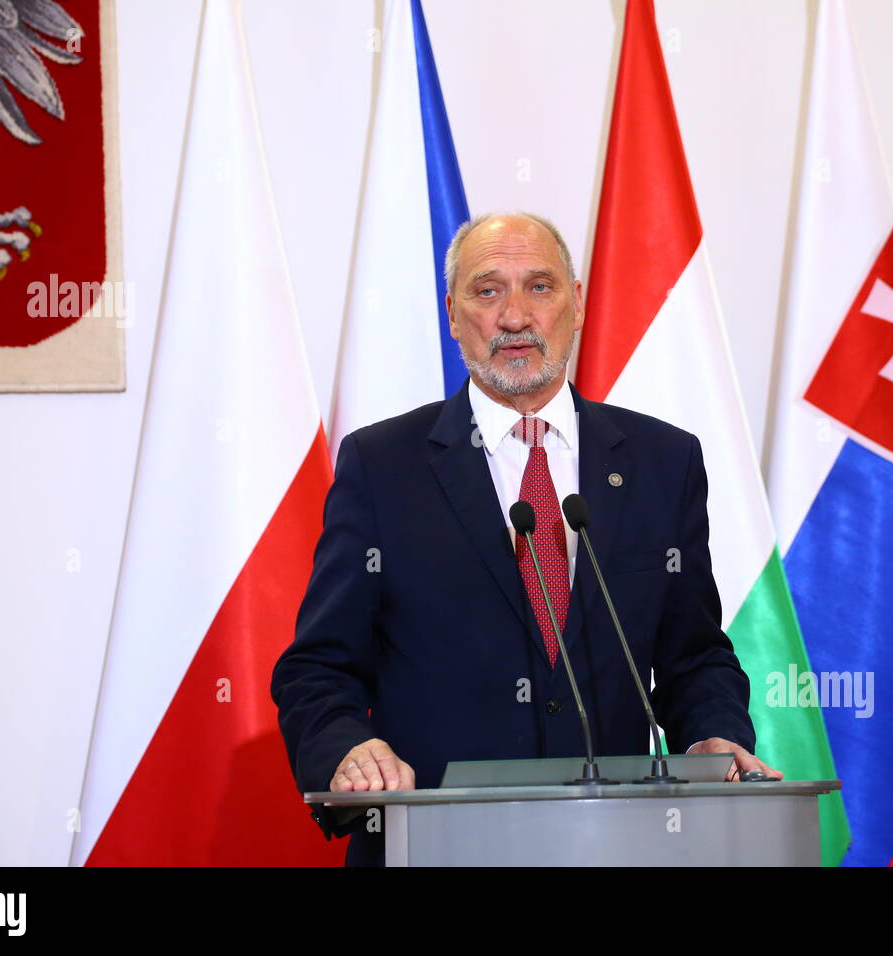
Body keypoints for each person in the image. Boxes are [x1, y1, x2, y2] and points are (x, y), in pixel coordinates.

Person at [271, 212, 780, 866]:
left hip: (617, 845)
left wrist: (711, 739)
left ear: (577, 303)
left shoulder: (662, 461)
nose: (514, 315)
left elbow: (693, 658)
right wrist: (346, 748)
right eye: (487, 291)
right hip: (434, 846)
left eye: (539, 287)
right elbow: (319, 667)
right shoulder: (384, 465)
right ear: (453, 316)